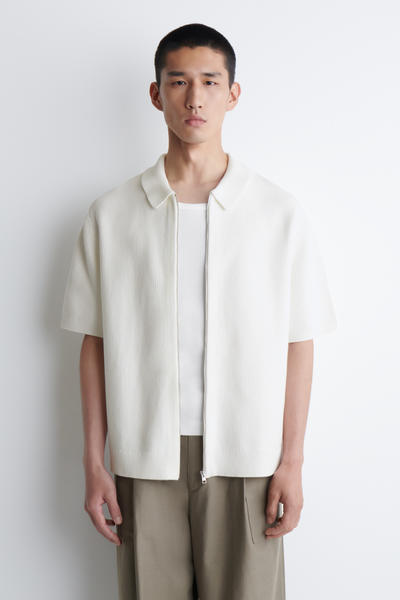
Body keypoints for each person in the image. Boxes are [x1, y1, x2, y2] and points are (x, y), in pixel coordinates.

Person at [60, 23, 337, 600]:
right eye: (179, 81)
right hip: (144, 457)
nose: (195, 99)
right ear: (156, 94)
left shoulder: (276, 213)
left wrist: (292, 461)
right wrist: (94, 462)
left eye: (210, 82)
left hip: (248, 457)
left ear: (233, 94)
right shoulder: (112, 215)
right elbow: (94, 341)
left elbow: (299, 342)